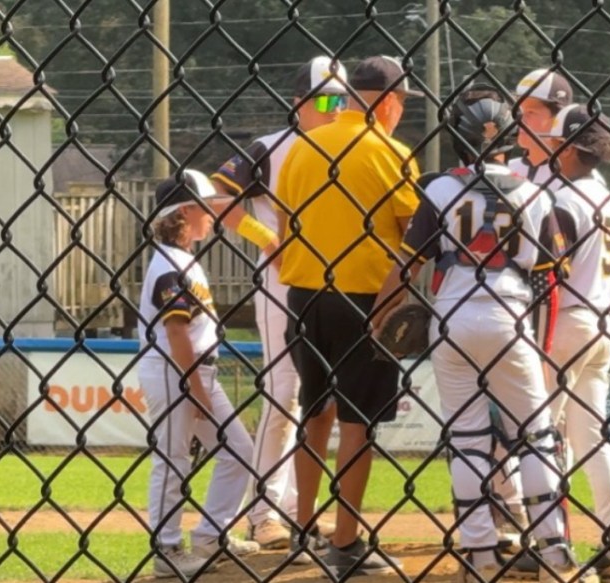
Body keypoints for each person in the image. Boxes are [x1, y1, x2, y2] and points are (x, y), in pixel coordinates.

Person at [372, 86, 595, 583]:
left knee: (468, 439)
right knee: (536, 436)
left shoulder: (440, 190)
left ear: (457, 137)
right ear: (510, 140)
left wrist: (380, 310)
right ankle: (555, 552)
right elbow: (548, 275)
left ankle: (481, 557)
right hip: (509, 313)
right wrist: (540, 340)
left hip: (451, 318)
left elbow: (407, 263)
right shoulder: (534, 192)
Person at [275, 55, 421, 577]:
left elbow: (283, 220)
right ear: (385, 102)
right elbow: (413, 235)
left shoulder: (303, 146)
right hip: (365, 300)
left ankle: (301, 528)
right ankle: (346, 544)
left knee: (314, 415)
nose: (401, 113)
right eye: (401, 104)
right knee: (358, 424)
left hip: (304, 296)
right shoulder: (392, 153)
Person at [209, 55, 348, 551]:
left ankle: (296, 509)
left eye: (343, 99)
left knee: (319, 398)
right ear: (299, 104)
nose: (337, 108)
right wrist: (266, 238)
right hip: (284, 284)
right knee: (284, 391)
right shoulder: (272, 148)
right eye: (326, 98)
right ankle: (262, 513)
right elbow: (216, 196)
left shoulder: (349, 148)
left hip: (336, 285)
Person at [136, 170, 261, 578]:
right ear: (186, 211)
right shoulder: (170, 265)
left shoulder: (184, 259)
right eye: (206, 206)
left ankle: (211, 535)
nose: (213, 214)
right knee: (173, 461)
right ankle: (167, 551)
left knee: (239, 449)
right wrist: (196, 392)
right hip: (175, 372)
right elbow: (176, 334)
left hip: (194, 374)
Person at [541, 103, 610, 582]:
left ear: (572, 149)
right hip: (602, 326)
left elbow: (546, 276)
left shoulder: (565, 201)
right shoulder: (606, 197)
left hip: (567, 324)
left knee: (543, 436)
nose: (549, 149)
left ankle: (554, 551)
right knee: (592, 439)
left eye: (556, 143)